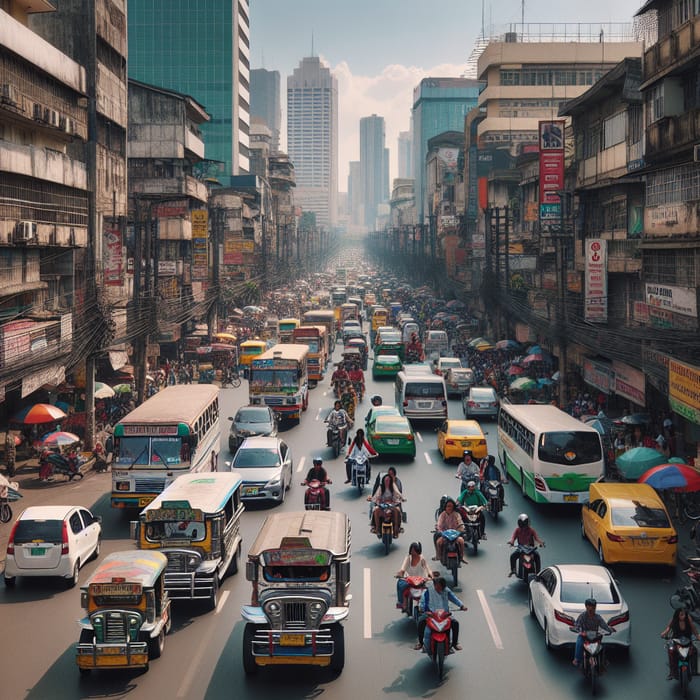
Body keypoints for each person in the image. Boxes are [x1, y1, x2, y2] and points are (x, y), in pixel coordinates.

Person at [415, 576, 467, 651]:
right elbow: (424, 601)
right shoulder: (429, 591)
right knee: (421, 622)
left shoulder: (446, 591)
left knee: (455, 623)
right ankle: (420, 643)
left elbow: (454, 598)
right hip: (431, 614)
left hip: (444, 615)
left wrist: (461, 605)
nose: (438, 589)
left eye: (440, 587)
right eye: (437, 586)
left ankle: (455, 643)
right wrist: (423, 609)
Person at [572, 598, 615, 667]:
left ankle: (603, 660)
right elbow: (577, 625)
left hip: (595, 636)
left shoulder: (598, 617)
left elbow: (605, 626)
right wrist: (578, 630)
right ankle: (577, 659)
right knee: (579, 641)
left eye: (593, 607)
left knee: (603, 646)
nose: (592, 609)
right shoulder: (582, 616)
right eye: (590, 606)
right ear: (586, 606)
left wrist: (610, 629)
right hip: (585, 636)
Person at [661, 607, 699, 679]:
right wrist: (664, 633)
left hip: (687, 640)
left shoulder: (688, 619)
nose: (683, 616)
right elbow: (668, 628)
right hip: (676, 640)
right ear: (677, 615)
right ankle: (672, 672)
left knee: (694, 651)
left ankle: (694, 670)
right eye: (681, 614)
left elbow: (693, 628)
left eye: (684, 614)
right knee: (671, 651)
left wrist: (697, 635)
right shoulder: (674, 620)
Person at [396, 541, 432, 611]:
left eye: (414, 551)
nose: (413, 553)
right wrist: (400, 574)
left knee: (431, 588)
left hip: (421, 580)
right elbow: (403, 568)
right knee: (400, 584)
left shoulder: (422, 558)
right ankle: (402, 603)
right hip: (409, 580)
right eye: (412, 551)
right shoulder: (408, 558)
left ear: (418, 551)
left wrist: (431, 575)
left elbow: (427, 568)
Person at [370, 472, 403, 538]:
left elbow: (397, 493)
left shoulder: (393, 487)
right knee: (375, 510)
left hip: (391, 505)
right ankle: (377, 529)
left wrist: (401, 498)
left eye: (388, 481)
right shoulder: (381, 487)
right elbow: (377, 495)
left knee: (397, 510)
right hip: (382, 506)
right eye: (386, 481)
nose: (387, 482)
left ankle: (396, 530)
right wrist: (372, 499)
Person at [434, 498, 467, 564]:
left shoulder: (456, 514)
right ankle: (438, 556)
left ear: (453, 507)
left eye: (451, 506)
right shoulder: (442, 514)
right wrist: (438, 529)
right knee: (438, 542)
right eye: (448, 506)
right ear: (445, 507)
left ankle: (462, 556)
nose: (449, 508)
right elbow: (439, 523)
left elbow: (460, 522)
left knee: (461, 541)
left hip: (455, 534)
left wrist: (461, 528)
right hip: (445, 535)